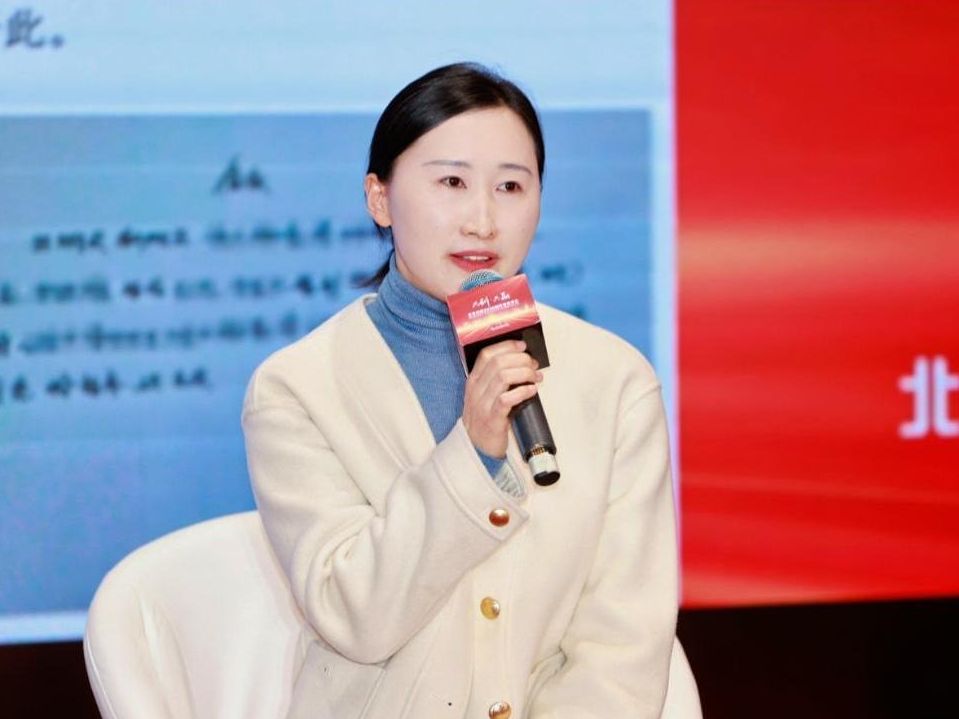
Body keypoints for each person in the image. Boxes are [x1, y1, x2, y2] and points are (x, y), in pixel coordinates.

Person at [242, 62, 678, 719]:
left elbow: (622, 644)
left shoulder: (614, 380)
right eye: (451, 182)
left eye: (510, 186)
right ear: (379, 198)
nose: (482, 220)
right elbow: (354, 617)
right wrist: (472, 453)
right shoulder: (296, 389)